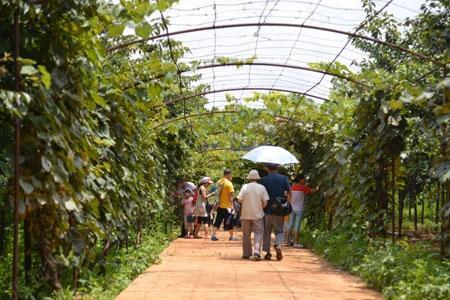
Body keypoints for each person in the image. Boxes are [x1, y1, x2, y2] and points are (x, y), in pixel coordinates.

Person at [261, 163, 291, 261]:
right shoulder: (283, 179)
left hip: (267, 210)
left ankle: (268, 253)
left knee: (267, 231)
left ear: (267, 169)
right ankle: (278, 245)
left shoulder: (264, 180)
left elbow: (261, 195)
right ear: (277, 168)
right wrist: (288, 204)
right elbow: (289, 192)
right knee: (279, 231)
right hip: (279, 210)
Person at [237, 170, 269, 260]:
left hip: (245, 214)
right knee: (258, 233)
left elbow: (239, 199)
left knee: (246, 234)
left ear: (249, 178)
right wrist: (259, 208)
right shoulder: (262, 188)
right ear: (257, 178)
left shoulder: (245, 187)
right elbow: (265, 202)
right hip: (258, 214)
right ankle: (257, 252)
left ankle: (246, 253)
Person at [287, 174, 316, 247]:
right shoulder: (303, 187)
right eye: (303, 179)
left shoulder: (292, 187)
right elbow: (312, 191)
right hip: (299, 209)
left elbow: (289, 196)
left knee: (290, 224)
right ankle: (296, 243)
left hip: (292, 208)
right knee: (297, 226)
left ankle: (287, 241)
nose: (305, 180)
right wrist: (318, 187)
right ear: (300, 180)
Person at [211, 169, 236, 241]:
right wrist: (233, 207)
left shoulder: (219, 182)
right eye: (231, 175)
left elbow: (216, 192)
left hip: (220, 205)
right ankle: (231, 237)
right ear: (228, 174)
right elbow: (231, 197)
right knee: (230, 222)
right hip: (227, 206)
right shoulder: (229, 184)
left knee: (218, 220)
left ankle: (213, 235)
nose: (231, 176)